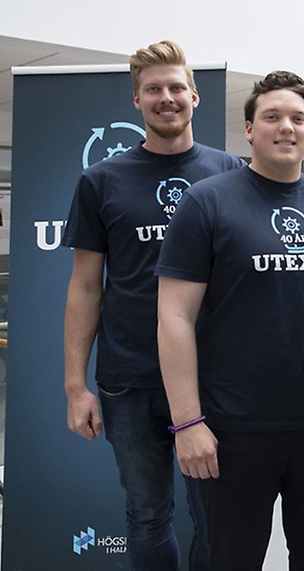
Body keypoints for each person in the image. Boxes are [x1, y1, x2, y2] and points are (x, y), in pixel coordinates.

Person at [156, 71, 304, 570]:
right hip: (234, 430)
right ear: (249, 130)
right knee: (234, 559)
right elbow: (173, 315)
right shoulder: (206, 202)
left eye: (298, 118)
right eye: (272, 117)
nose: (286, 127)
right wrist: (188, 422)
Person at [63, 40, 243, 571]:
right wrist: (77, 386)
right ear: (135, 101)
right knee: (147, 516)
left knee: (215, 516)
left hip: (213, 377)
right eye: (153, 90)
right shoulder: (101, 181)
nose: (166, 98)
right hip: (130, 379)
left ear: (195, 95)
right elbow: (84, 288)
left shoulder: (230, 172)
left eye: (175, 87)